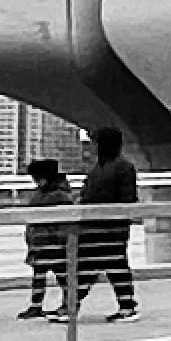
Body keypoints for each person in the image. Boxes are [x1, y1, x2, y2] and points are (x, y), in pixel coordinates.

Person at [69, 133, 141, 321]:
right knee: (95, 266)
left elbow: (128, 199)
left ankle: (126, 306)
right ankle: (72, 305)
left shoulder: (123, 168)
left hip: (111, 227)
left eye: (95, 143)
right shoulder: (97, 168)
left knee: (110, 265)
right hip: (94, 226)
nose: (92, 147)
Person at [16, 158, 73, 318]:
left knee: (62, 276)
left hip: (53, 244)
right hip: (40, 243)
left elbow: (64, 223)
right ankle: (37, 305)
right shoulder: (44, 194)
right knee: (40, 275)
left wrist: (59, 239)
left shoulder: (59, 196)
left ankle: (67, 304)